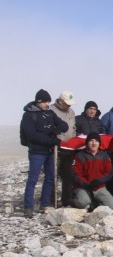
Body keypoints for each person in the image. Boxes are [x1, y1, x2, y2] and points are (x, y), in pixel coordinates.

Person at [21, 89, 69, 217]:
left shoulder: (49, 113)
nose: (48, 104)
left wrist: (54, 130)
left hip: (50, 151)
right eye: (45, 102)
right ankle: (28, 207)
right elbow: (32, 135)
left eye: (48, 101)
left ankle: (45, 204)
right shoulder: (28, 115)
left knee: (50, 177)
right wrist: (52, 139)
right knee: (33, 179)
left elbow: (64, 125)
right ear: (39, 101)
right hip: (37, 152)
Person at [70, 133, 113, 210]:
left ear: (99, 143)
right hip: (83, 187)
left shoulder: (104, 156)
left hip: (99, 187)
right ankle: (72, 201)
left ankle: (95, 202)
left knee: (112, 206)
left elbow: (109, 172)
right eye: (91, 141)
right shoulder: (79, 156)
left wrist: (99, 181)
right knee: (83, 203)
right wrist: (85, 183)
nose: (94, 143)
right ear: (87, 143)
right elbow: (75, 173)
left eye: (96, 141)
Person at [50, 91, 77, 206]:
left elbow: (73, 128)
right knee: (53, 174)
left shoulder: (71, 112)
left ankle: (66, 199)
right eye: (67, 103)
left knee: (68, 174)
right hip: (55, 147)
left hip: (69, 147)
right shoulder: (51, 110)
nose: (69, 105)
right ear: (60, 101)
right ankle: (51, 200)